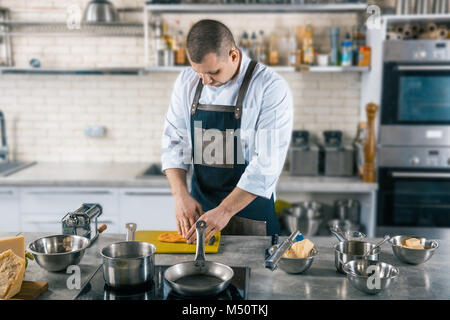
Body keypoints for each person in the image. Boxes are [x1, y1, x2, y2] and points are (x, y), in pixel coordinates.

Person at [161, 20, 293, 243]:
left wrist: (223, 211)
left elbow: (266, 165)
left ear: (233, 55)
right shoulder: (187, 82)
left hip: (252, 219)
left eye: (213, 72)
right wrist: (180, 195)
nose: (205, 80)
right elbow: (174, 143)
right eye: (198, 72)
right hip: (202, 213)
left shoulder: (269, 87)